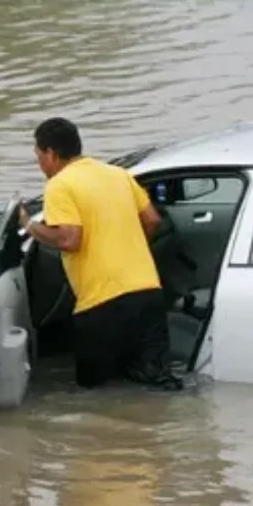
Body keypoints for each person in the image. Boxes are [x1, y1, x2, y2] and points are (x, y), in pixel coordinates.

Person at [19, 117, 183, 392]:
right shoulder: (118, 174)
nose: (39, 164)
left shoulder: (60, 185)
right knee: (157, 383)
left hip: (102, 304)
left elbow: (70, 239)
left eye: (38, 156)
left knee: (96, 393)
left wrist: (29, 225)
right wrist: (131, 249)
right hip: (148, 293)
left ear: (50, 153)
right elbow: (153, 220)